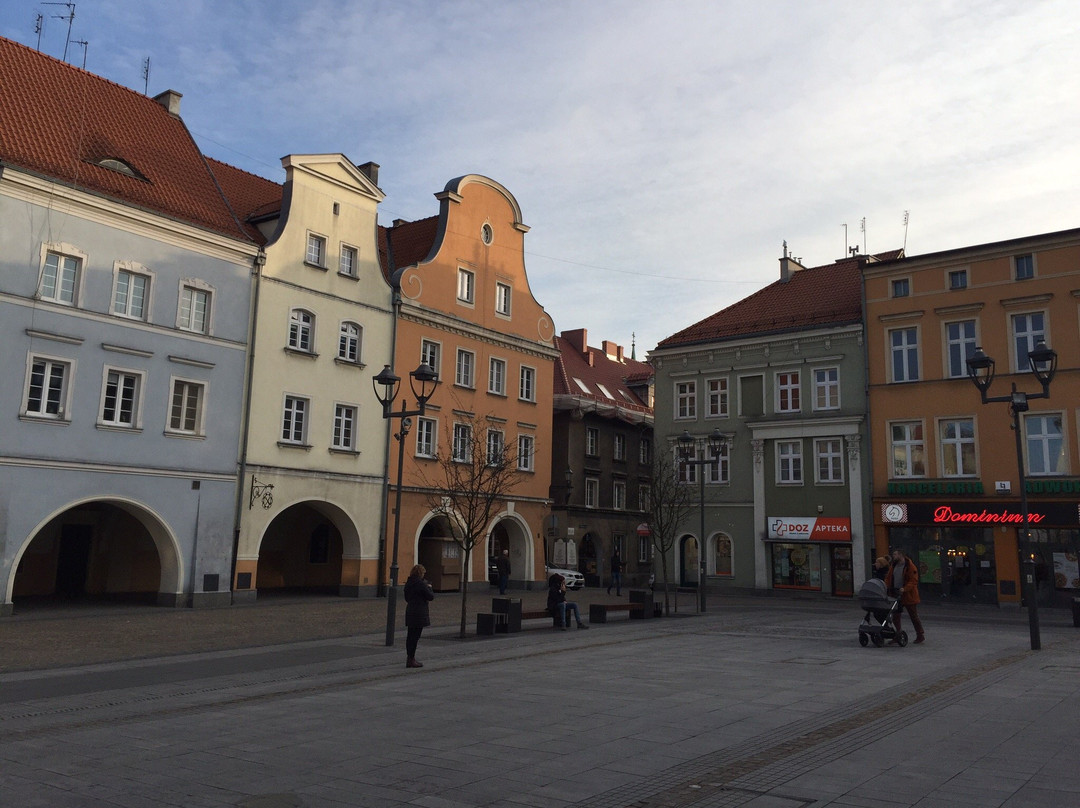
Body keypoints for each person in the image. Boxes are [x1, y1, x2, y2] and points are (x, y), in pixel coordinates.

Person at [887, 548, 925, 644]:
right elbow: (888, 578)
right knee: (895, 616)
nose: (893, 556)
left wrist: (905, 589)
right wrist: (886, 587)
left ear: (901, 555)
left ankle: (920, 635)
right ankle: (898, 634)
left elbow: (913, 581)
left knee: (913, 616)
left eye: (895, 554)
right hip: (896, 593)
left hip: (908, 595)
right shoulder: (893, 566)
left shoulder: (910, 566)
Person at [403, 564, 434, 668]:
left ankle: (409, 657)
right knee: (415, 636)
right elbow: (430, 597)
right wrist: (429, 588)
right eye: (423, 573)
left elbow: (406, 598)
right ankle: (411, 659)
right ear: (421, 573)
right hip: (419, 612)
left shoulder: (409, 583)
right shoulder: (421, 584)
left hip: (410, 610)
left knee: (410, 636)